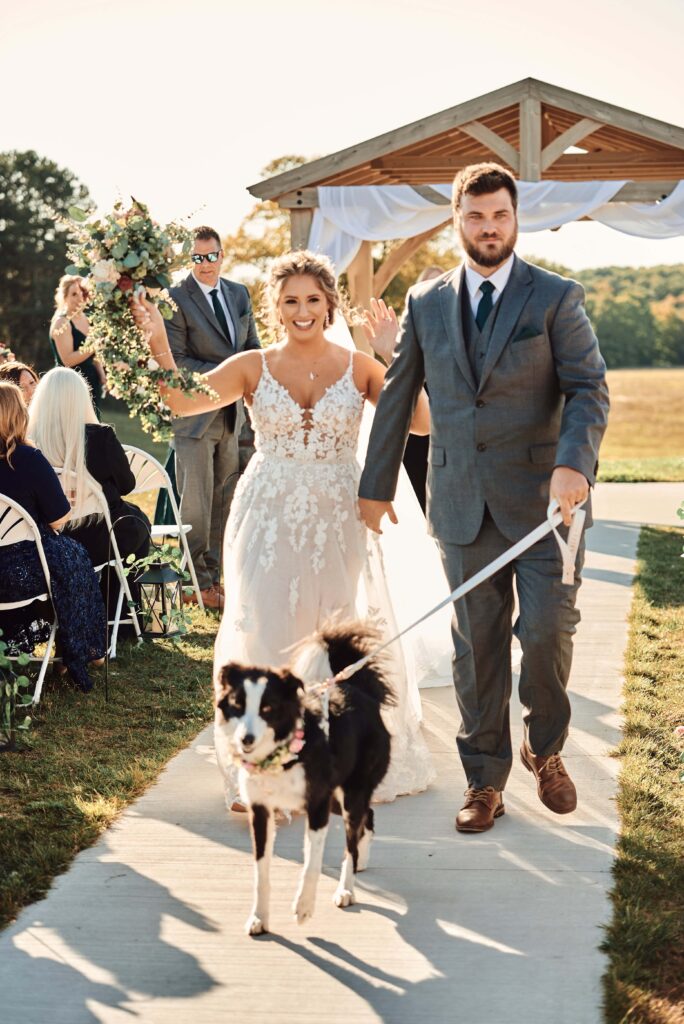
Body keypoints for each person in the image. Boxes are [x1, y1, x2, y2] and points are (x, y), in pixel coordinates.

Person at [131, 249, 435, 806]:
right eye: (291, 300)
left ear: (329, 304)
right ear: (275, 306)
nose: (303, 311)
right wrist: (156, 341)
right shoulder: (252, 364)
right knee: (266, 625)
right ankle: (262, 762)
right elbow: (180, 400)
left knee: (332, 631)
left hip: (339, 515)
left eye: (313, 300)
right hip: (268, 513)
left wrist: (393, 353)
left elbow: (419, 421)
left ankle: (332, 755)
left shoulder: (358, 365)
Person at [358, 162, 610, 833]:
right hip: (462, 502)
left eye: (499, 216)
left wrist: (573, 465)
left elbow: (589, 389)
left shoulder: (555, 296)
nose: (488, 228)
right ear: (455, 219)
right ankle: (484, 780)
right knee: (477, 644)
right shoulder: (426, 301)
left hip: (548, 506)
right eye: (475, 216)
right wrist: (375, 488)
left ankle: (544, 747)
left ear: (515, 217)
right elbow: (397, 394)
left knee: (549, 633)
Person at [164, 226, 261, 610]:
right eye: (198, 258)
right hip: (193, 416)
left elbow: (252, 346)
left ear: (222, 255)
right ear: (190, 260)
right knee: (196, 504)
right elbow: (177, 361)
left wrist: (252, 373)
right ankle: (193, 581)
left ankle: (215, 580)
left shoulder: (238, 294)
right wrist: (231, 372)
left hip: (232, 414)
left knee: (226, 497)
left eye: (212, 256)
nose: (205, 265)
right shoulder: (175, 297)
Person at [0, 382, 107, 692]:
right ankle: (79, 648)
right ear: (19, 416)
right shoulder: (30, 459)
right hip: (21, 574)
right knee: (72, 559)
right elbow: (59, 519)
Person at [28, 367, 150, 624]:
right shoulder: (101, 437)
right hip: (98, 539)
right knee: (137, 522)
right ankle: (121, 615)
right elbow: (127, 485)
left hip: (47, 541)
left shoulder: (29, 441)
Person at [49, 276, 106, 414]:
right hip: (69, 384)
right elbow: (67, 360)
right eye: (74, 294)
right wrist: (94, 344)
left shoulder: (90, 319)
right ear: (64, 296)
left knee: (93, 429)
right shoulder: (62, 323)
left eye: (83, 293)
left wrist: (102, 376)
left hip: (91, 383)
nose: (80, 298)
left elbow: (95, 355)